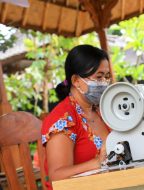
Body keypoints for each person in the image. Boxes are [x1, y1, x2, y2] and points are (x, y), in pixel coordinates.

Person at [41, 45, 111, 189]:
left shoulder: (101, 111)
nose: (104, 82)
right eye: (99, 77)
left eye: (107, 76)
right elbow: (57, 177)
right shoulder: (63, 119)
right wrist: (97, 163)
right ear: (76, 80)